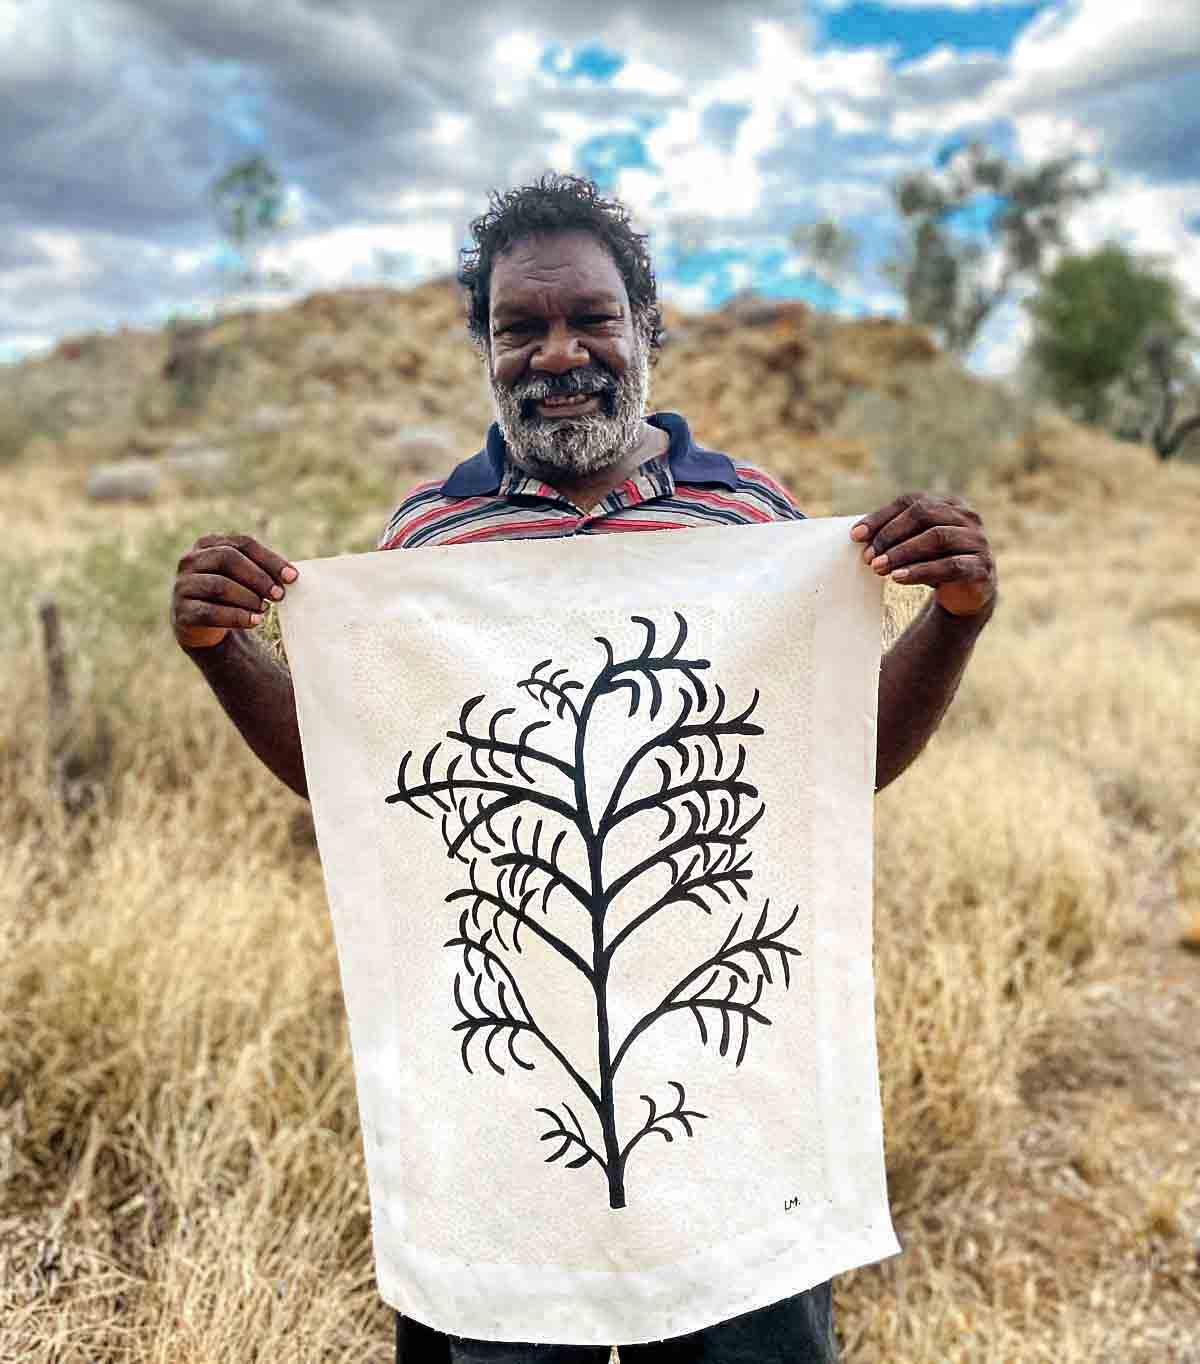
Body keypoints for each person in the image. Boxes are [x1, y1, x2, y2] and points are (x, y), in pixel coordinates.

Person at [170, 172, 997, 1364]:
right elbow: (372, 786)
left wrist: (955, 618)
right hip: (506, 1074)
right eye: (521, 326)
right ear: (486, 350)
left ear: (647, 330)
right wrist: (221, 652)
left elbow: (831, 764)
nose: (560, 353)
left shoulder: (750, 523)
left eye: (592, 318)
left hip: (728, 1066)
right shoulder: (428, 541)